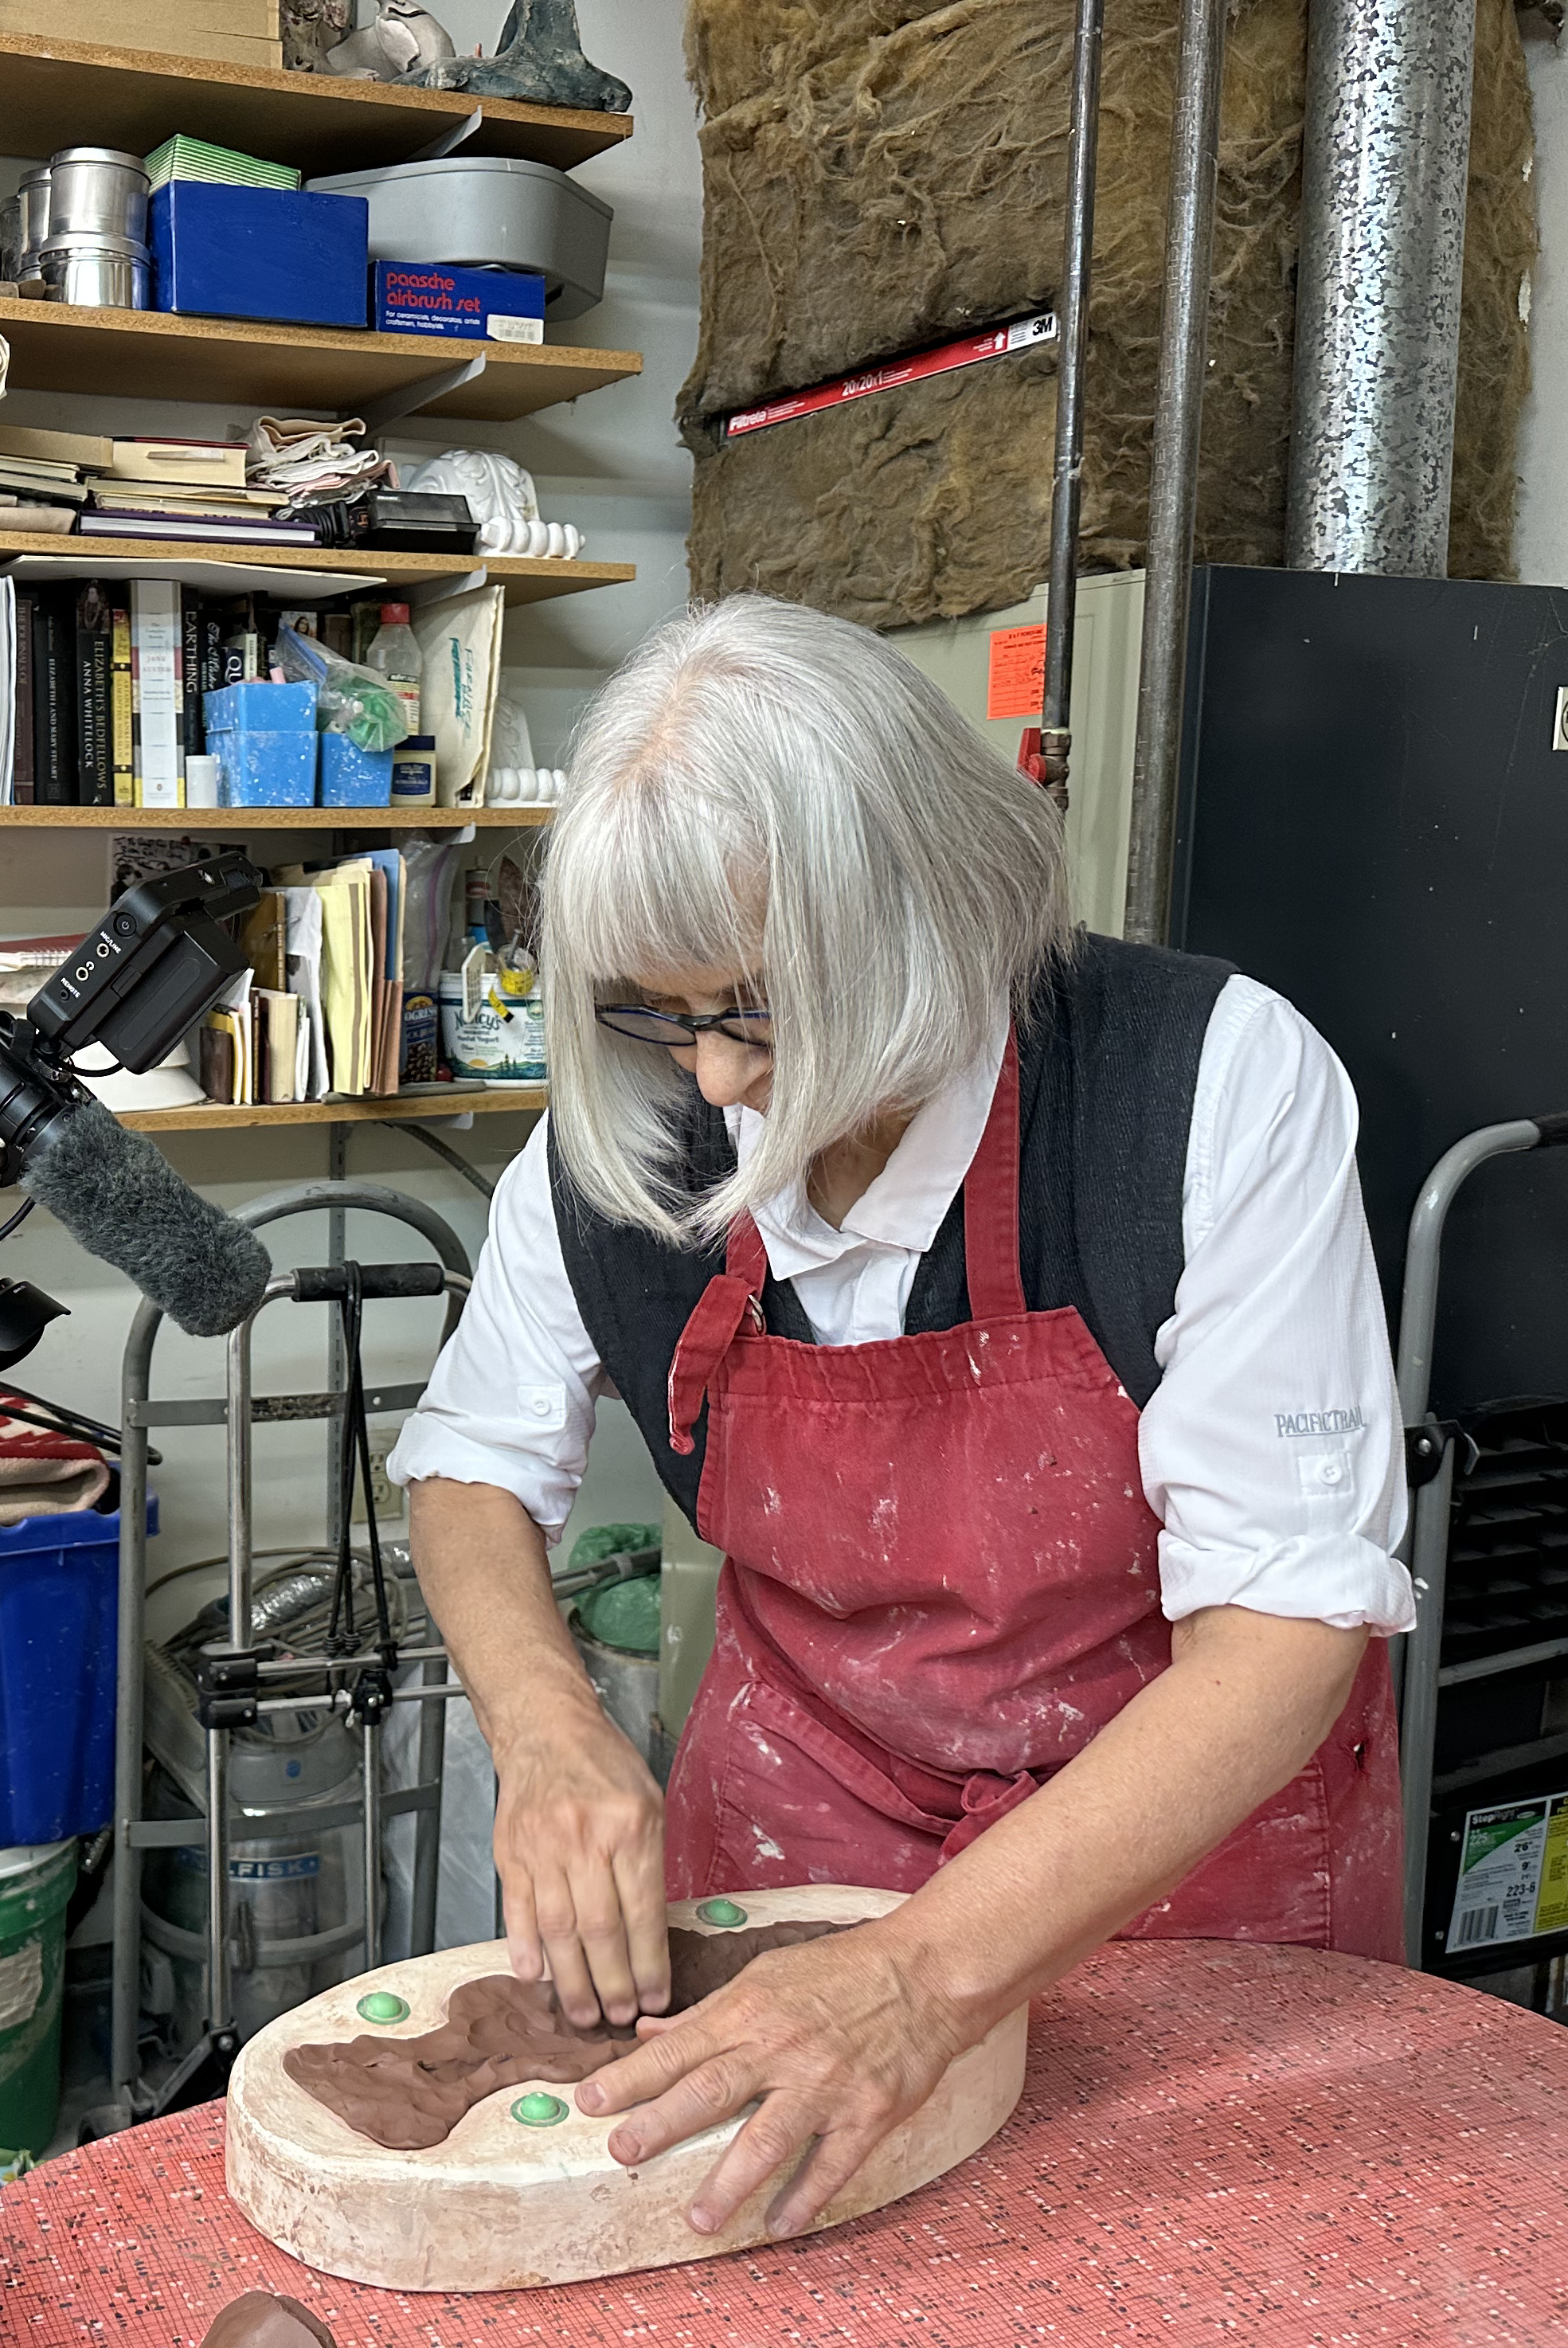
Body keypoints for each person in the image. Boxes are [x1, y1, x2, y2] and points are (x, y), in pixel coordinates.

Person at [388, 593, 1412, 2242]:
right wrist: (549, 1727)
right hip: (802, 1823)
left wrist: (921, 1981)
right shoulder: (632, 1133)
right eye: (660, 1014)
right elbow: (468, 1473)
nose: (713, 1083)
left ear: (931, 917)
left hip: (1173, 1866)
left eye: (760, 1014)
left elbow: (1284, 1630)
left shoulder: (1204, 1084)